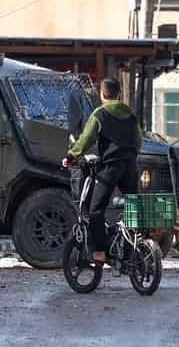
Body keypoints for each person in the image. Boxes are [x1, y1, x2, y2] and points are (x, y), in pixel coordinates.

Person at [65, 78, 142, 263]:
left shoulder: (100, 114)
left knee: (96, 210)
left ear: (102, 94)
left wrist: (71, 156)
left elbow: (85, 140)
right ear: (119, 94)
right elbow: (138, 140)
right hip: (131, 166)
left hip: (111, 168)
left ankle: (99, 252)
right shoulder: (130, 114)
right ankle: (133, 245)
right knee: (133, 204)